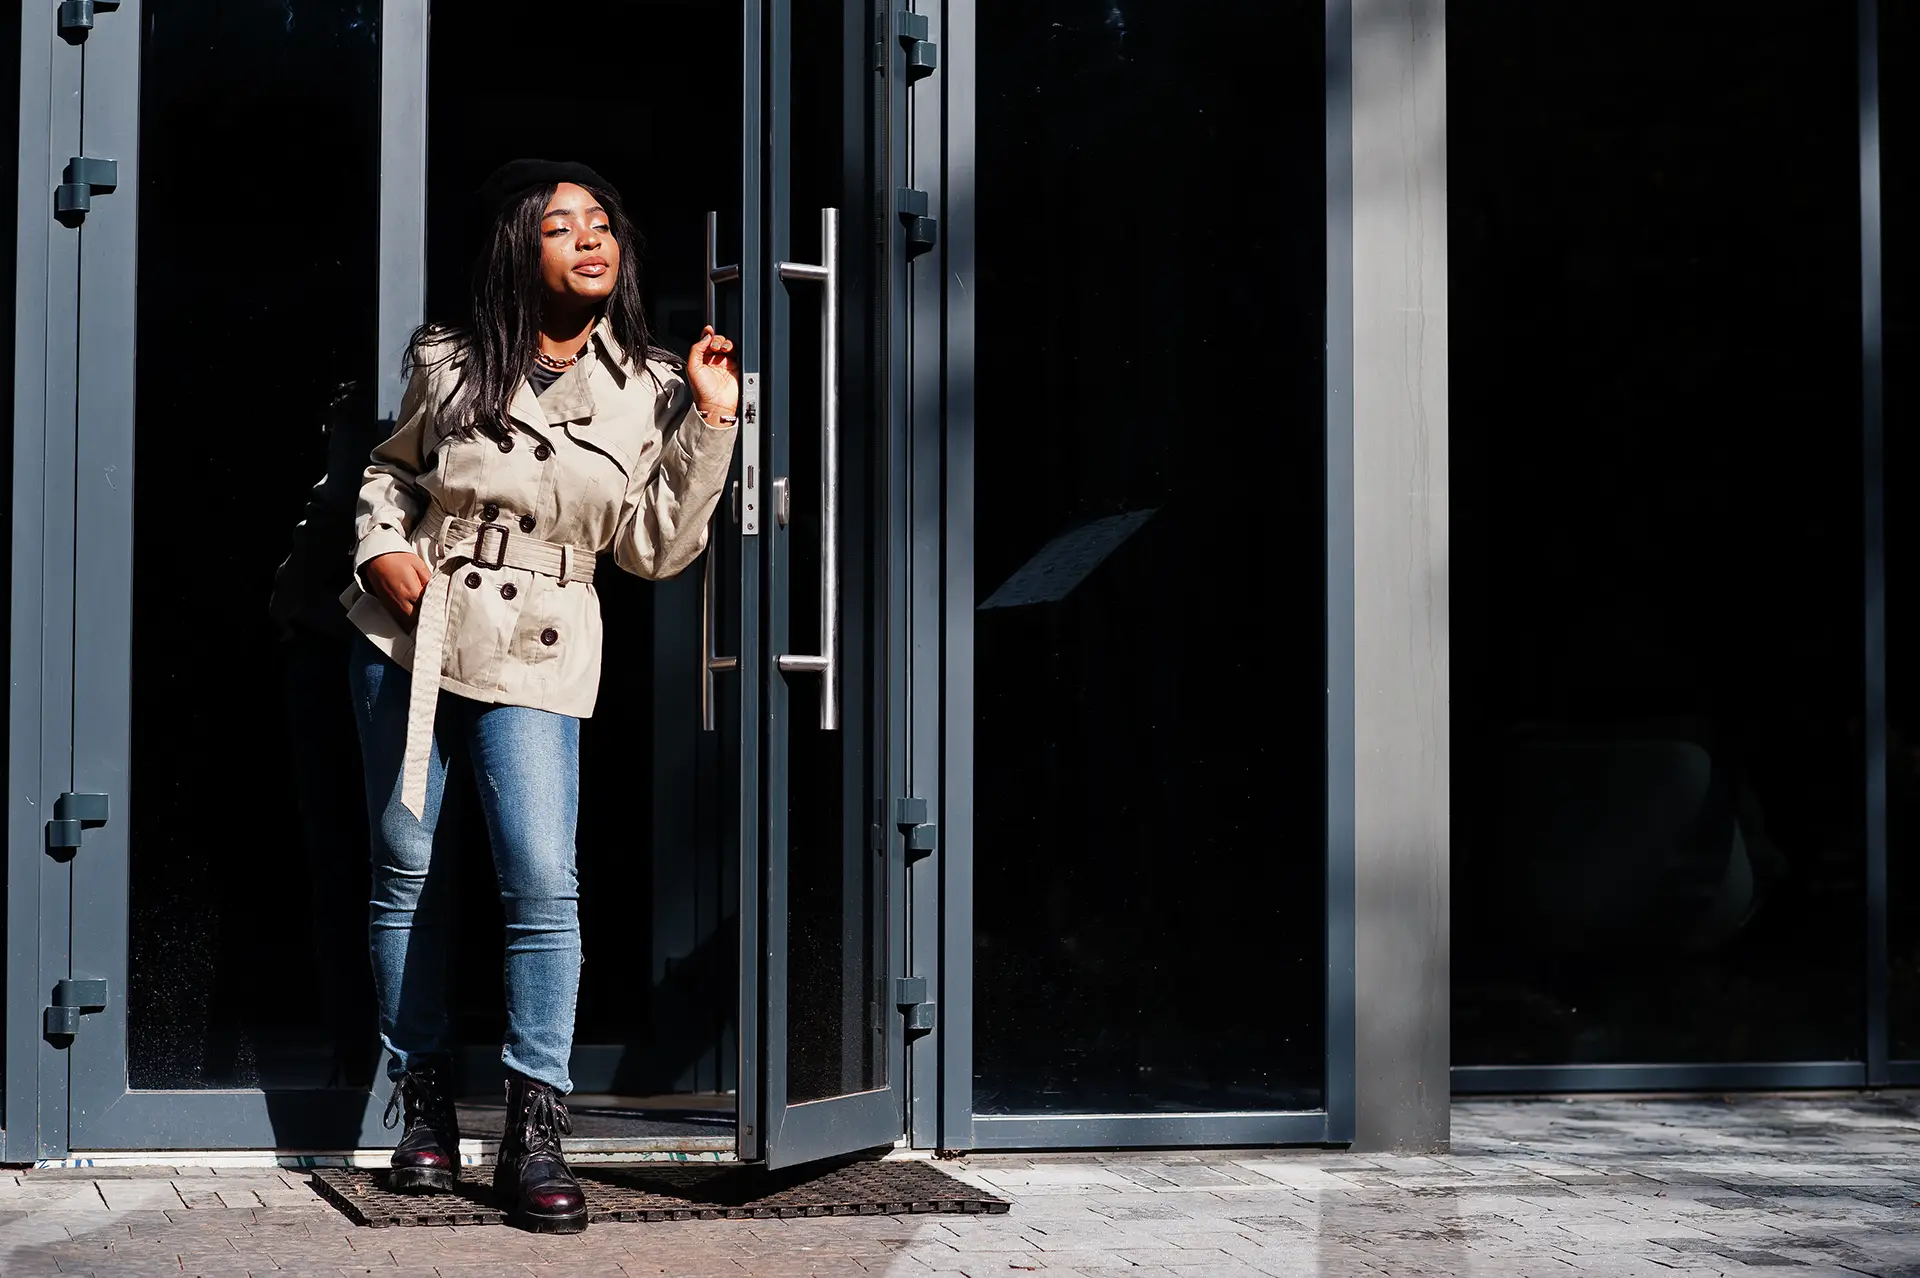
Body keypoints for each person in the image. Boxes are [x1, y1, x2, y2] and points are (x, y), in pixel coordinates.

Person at [343, 158, 739, 1233]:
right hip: (412, 638)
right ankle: (422, 1114)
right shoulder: (451, 359)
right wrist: (382, 547)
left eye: (602, 224)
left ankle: (534, 1129)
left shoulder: (654, 384)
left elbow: (655, 551)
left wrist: (712, 423)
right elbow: (391, 470)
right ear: (523, 250)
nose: (590, 240)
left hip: (542, 645)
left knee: (542, 885)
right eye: (563, 227)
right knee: (407, 874)